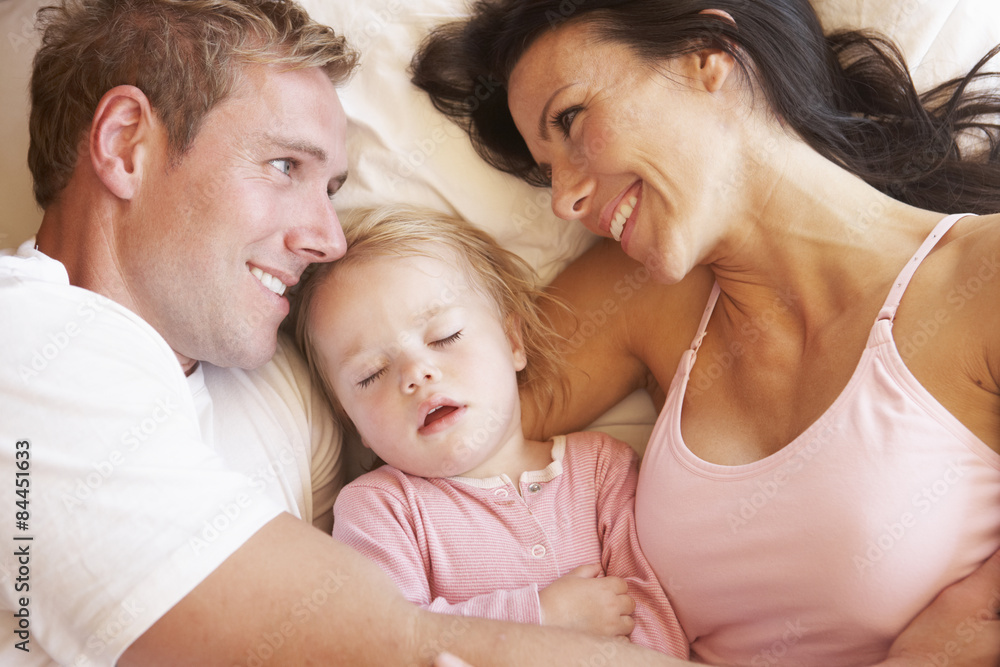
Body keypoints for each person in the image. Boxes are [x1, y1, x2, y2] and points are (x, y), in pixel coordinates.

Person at [0, 1, 691, 665]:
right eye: (283, 167)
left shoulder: (271, 375)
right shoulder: (26, 340)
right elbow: (385, 647)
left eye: (330, 190)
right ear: (125, 145)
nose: (329, 240)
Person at [410, 0, 1000, 664]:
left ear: (708, 53)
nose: (563, 199)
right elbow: (420, 427)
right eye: (546, 169)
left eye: (571, 120)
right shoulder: (643, 296)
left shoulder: (982, 276)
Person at [292, 204, 689, 658]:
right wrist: (539, 617)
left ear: (513, 343)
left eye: (445, 337)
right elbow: (385, 642)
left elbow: (658, 621)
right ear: (353, 425)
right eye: (372, 374)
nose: (416, 374)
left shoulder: (601, 470)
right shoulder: (380, 510)